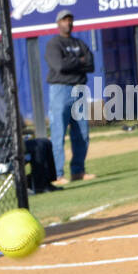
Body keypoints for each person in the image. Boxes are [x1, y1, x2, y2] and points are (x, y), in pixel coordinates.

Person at [44, 10, 97, 185]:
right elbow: (59, 66)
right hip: (61, 90)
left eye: (70, 20)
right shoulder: (54, 44)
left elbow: (90, 64)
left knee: (82, 133)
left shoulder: (79, 43)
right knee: (58, 133)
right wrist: (79, 61)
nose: (68, 23)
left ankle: (78, 171)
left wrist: (73, 62)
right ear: (58, 23)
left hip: (79, 90)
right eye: (65, 20)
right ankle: (58, 174)